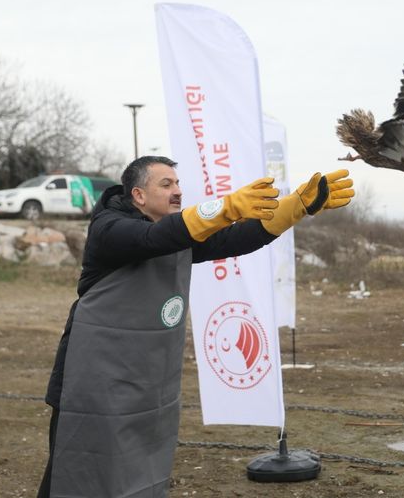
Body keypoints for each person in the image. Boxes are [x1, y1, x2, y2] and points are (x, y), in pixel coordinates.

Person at [37, 156, 354, 498]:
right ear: (139, 195)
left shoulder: (177, 233)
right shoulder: (110, 228)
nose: (177, 191)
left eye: (177, 183)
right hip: (91, 381)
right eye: (166, 184)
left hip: (144, 381)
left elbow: (234, 239)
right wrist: (227, 206)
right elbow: (151, 238)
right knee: (77, 470)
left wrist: (296, 207)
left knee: (137, 467)